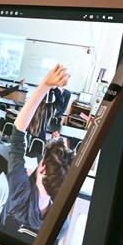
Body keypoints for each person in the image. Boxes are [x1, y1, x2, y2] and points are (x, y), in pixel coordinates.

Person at [4, 65, 74, 233]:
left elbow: (17, 135)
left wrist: (46, 84)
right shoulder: (61, 225)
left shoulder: (19, 193)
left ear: (42, 168)